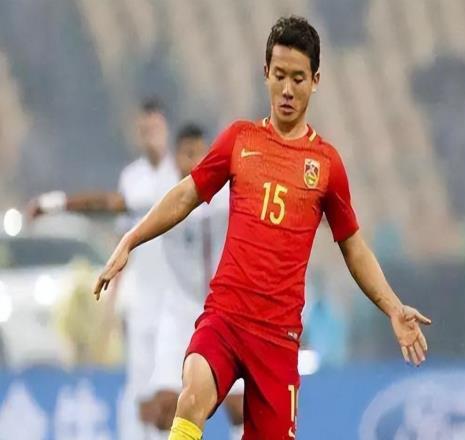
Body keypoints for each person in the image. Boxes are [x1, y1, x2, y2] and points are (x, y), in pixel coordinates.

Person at [94, 16, 432, 440]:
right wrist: (131, 239)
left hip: (278, 339)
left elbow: (353, 247)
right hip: (225, 318)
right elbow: (185, 195)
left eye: (298, 78)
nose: (287, 89)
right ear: (266, 73)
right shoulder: (240, 140)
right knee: (192, 394)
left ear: (316, 81)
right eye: (279, 75)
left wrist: (393, 307)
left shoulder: (326, 164)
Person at [27, 98, 180, 440]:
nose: (150, 136)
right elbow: (120, 234)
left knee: (171, 398)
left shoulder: (180, 175)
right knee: (142, 399)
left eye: (155, 128)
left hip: (178, 305)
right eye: (144, 130)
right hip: (143, 303)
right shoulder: (133, 178)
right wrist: (112, 303)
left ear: (166, 130)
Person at [145, 123, 244, 439]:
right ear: (176, 158)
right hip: (179, 310)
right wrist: (57, 203)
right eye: (189, 154)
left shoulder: (227, 195)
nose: (196, 160)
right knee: (165, 408)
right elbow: (114, 204)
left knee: (240, 407)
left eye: (202, 153)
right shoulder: (161, 196)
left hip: (222, 310)